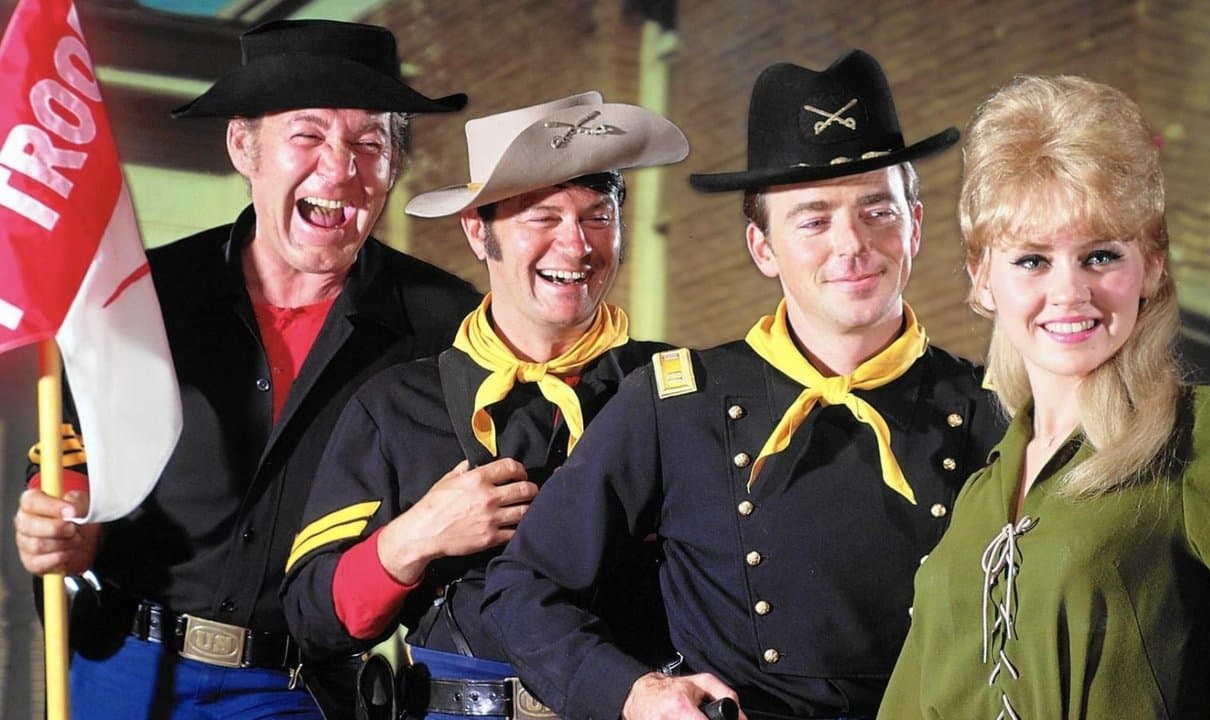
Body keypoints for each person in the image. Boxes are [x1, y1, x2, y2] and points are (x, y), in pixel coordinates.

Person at [481, 50, 1005, 720]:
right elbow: (524, 587)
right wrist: (633, 693)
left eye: (878, 211)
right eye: (813, 219)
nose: (851, 244)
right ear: (763, 247)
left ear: (915, 225)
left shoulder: (991, 408)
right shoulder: (676, 404)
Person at [12, 19, 478, 719]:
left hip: (299, 686)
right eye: (308, 135)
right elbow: (75, 441)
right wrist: (67, 513)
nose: (340, 169)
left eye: (370, 144)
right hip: (126, 669)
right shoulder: (145, 293)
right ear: (243, 146)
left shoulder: (446, 324)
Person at [876, 74, 1210, 719]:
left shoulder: (1202, 437)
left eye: (1100, 256)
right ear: (983, 280)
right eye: (1032, 260)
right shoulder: (980, 493)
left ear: (1151, 266)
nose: (1069, 292)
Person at [279, 92, 689, 719]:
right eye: (543, 217)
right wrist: (414, 538)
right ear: (478, 230)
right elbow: (313, 621)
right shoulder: (395, 407)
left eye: (598, 216)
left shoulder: (678, 390)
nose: (576, 245)